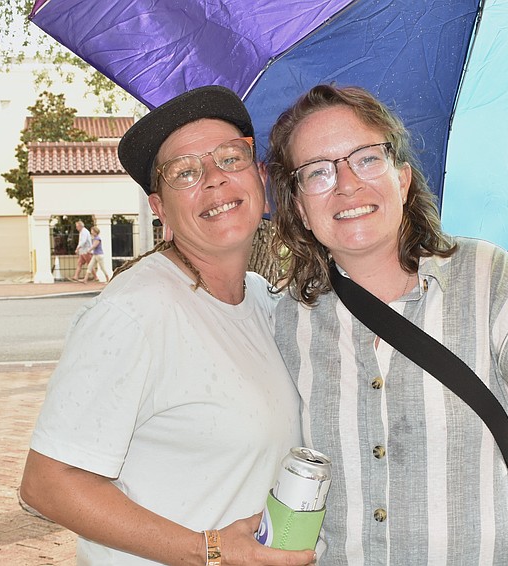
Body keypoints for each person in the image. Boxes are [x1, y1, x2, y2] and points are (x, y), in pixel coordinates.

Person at [266, 84, 508, 565]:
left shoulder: (489, 279)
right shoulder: (284, 321)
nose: (347, 184)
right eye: (317, 172)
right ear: (299, 208)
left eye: (367, 159)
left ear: (402, 179)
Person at [20, 85, 315, 566]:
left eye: (230, 158)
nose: (214, 180)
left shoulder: (262, 300)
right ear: (160, 210)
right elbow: (48, 484)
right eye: (186, 173)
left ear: (260, 178)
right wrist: (211, 550)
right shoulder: (135, 312)